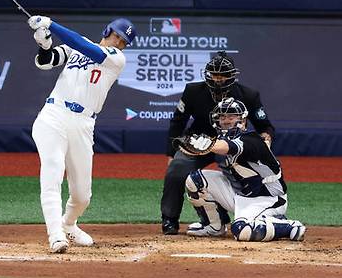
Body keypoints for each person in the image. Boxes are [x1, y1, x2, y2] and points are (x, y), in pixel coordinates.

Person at [27, 14, 136, 253]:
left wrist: (52, 25)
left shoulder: (116, 59)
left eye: (124, 41)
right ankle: (56, 235)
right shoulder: (73, 46)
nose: (119, 42)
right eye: (117, 36)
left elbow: (86, 48)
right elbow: (46, 61)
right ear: (108, 30)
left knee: (82, 195)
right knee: (52, 173)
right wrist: (44, 43)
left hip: (84, 123)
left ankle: (68, 224)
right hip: (53, 115)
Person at [161, 51, 275, 235]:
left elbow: (265, 126)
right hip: (199, 144)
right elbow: (177, 122)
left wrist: (266, 140)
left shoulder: (249, 95)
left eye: (222, 75)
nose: (218, 79)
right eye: (214, 74)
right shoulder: (192, 91)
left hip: (234, 147)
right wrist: (170, 154)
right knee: (176, 170)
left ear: (232, 76)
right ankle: (169, 219)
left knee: (246, 179)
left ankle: (253, 215)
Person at [182, 97, 305, 242]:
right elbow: (221, 146)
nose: (226, 120)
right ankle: (213, 227)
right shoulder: (218, 141)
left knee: (242, 231)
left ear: (243, 120)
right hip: (240, 195)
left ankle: (289, 226)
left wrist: (207, 145)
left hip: (268, 199)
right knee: (195, 180)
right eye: (222, 116)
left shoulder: (251, 140)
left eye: (231, 116)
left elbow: (230, 147)